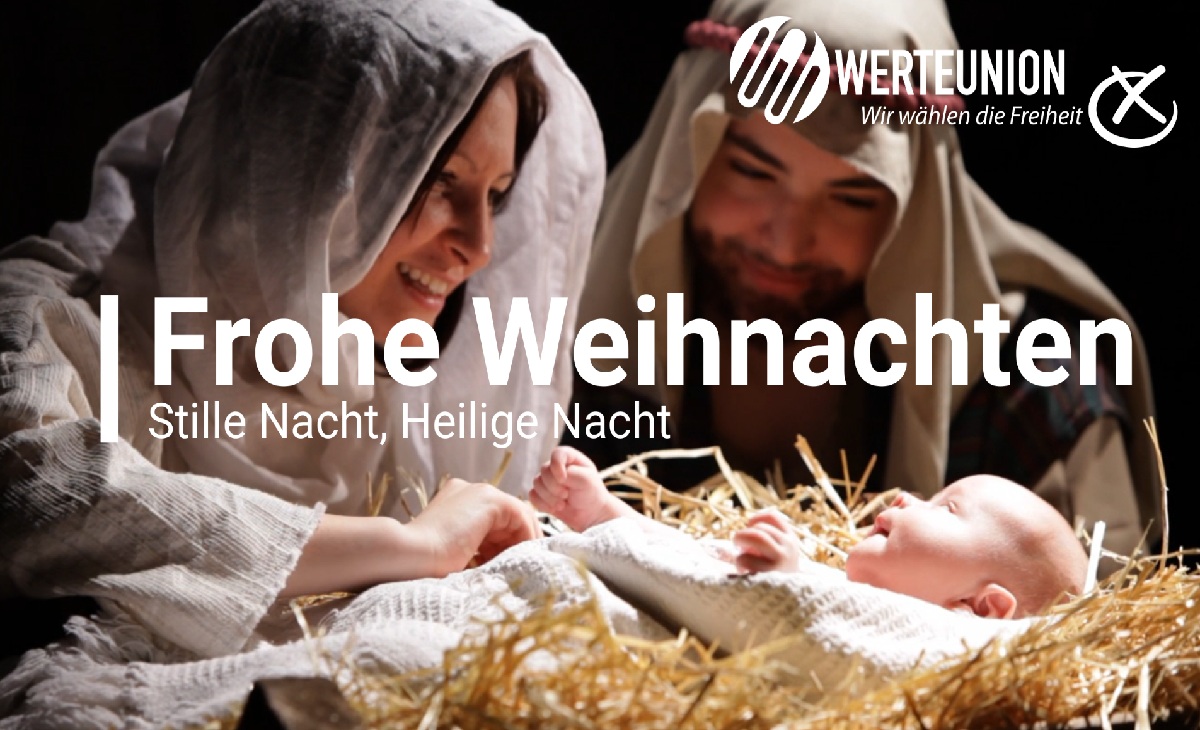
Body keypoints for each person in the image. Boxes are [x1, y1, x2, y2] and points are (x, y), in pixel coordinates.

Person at [0, 0, 603, 662]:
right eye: (440, 181)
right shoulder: (48, 315)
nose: (479, 246)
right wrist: (407, 545)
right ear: (301, 165)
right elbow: (36, 491)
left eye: (495, 195)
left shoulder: (395, 375)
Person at [566, 0, 1159, 562]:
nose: (786, 243)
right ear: (685, 152)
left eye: (852, 198)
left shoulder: (1031, 392)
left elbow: (1086, 614)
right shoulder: (562, 323)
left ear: (914, 206)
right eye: (752, 170)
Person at [534, 445, 1088, 618]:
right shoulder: (857, 596)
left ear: (982, 608)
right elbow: (689, 563)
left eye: (946, 509)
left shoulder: (932, 647)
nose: (905, 497)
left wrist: (786, 591)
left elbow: (814, 643)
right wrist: (604, 512)